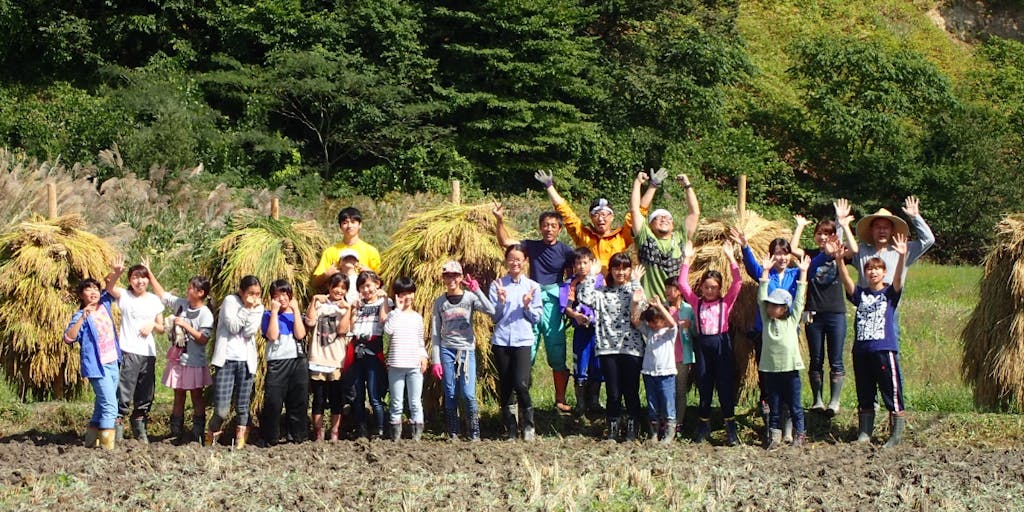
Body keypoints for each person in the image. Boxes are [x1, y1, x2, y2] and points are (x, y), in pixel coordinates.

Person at [493, 203, 575, 413]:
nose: (549, 229)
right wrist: (499, 220)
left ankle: (560, 399)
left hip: (553, 303)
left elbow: (574, 275)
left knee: (557, 350)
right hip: (530, 299)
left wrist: (568, 298)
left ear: (559, 229)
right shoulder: (531, 246)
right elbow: (505, 242)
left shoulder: (566, 251)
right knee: (526, 351)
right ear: (540, 227)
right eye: (545, 225)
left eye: (553, 225)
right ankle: (521, 398)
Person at [835, 233, 910, 447]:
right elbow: (847, 282)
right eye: (869, 269)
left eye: (877, 269)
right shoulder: (861, 295)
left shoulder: (890, 293)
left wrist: (902, 257)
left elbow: (898, 280)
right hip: (862, 351)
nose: (873, 272)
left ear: (884, 272)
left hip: (884, 349)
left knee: (891, 392)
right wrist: (840, 260)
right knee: (865, 393)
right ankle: (864, 434)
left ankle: (895, 436)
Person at [790, 199, 857, 414]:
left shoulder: (839, 253)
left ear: (833, 236)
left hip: (836, 312)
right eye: (819, 233)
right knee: (816, 359)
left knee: (836, 359)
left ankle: (834, 402)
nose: (823, 237)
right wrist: (800, 226)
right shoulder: (810, 255)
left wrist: (844, 224)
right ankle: (817, 400)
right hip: (812, 312)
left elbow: (854, 249)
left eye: (827, 233)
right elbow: (792, 248)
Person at [678, 240, 743, 445]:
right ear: (701, 288)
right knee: (704, 385)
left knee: (724, 386)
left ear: (719, 288)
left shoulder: (726, 302)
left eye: (713, 287)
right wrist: (687, 259)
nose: (709, 291)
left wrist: (731, 258)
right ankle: (703, 426)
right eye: (706, 287)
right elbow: (682, 284)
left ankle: (730, 428)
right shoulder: (696, 303)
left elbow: (738, 283)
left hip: (721, 346)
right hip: (703, 347)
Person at [576, 252, 646, 441]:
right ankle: (613, 427)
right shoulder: (602, 292)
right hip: (608, 348)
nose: (620, 272)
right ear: (611, 270)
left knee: (631, 390)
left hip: (631, 348)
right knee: (613, 392)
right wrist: (592, 276)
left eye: (624, 268)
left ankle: (632, 427)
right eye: (616, 268)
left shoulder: (633, 288)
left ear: (630, 270)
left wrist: (636, 282)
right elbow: (584, 298)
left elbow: (642, 307)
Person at [533, 169, 659, 270]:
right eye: (596, 215)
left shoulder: (621, 236)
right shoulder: (582, 234)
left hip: (613, 288)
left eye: (605, 214)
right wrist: (549, 186)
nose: (601, 218)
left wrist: (652, 186)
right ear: (591, 217)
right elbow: (565, 213)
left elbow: (638, 212)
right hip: (588, 287)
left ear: (612, 217)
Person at [148, 270, 214, 443]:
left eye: (191, 288)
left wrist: (185, 325)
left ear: (200, 293)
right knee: (178, 395)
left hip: (194, 361)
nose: (187, 290)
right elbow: (163, 295)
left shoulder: (205, 313)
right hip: (178, 359)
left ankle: (197, 434)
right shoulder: (182, 304)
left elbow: (203, 339)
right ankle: (176, 433)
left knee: (196, 396)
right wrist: (150, 274)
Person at [430, 261, 494, 440]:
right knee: (450, 392)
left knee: (467, 393)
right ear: (443, 278)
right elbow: (435, 331)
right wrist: (436, 361)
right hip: (447, 350)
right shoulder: (440, 302)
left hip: (466, 350)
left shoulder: (469, 298)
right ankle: (453, 432)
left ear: (460, 278)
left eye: (455, 275)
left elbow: (491, 310)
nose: (451, 279)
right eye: (447, 276)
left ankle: (474, 432)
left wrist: (477, 290)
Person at [104, 255, 165, 443]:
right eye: (136, 277)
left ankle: (139, 426)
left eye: (143, 277)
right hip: (129, 350)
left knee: (145, 392)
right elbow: (109, 288)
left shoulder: (154, 300)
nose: (140, 281)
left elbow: (161, 328)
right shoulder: (125, 296)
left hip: (148, 353)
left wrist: (152, 325)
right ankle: (117, 427)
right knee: (124, 391)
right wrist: (116, 273)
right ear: (130, 280)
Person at [490, 244, 543, 440]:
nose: (515, 263)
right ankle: (510, 428)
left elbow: (537, 318)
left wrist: (527, 306)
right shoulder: (497, 285)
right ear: (506, 261)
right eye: (511, 259)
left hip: (522, 340)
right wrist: (501, 302)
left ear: (525, 261)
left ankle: (528, 425)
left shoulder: (533, 287)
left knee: (521, 383)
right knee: (505, 385)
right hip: (502, 340)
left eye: (519, 259)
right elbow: (494, 317)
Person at [758, 254, 810, 449]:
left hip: (790, 369)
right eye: (769, 305)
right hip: (771, 370)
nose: (770, 308)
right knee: (774, 404)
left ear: (784, 308)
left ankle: (800, 434)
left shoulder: (792, 320)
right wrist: (765, 272)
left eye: (775, 306)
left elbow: (799, 301)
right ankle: (775, 436)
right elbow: (761, 297)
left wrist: (803, 273)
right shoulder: (766, 321)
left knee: (795, 405)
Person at [64, 278, 121, 449]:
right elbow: (69, 338)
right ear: (82, 295)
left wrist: (117, 272)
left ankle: (90, 441)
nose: (93, 292)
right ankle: (107, 447)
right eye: (88, 289)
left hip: (113, 362)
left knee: (101, 403)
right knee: (110, 405)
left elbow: (111, 288)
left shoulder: (104, 304)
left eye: (96, 288)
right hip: (97, 366)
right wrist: (83, 317)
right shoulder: (80, 316)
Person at [208, 275, 264, 448]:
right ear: (241, 291)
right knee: (221, 409)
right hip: (226, 360)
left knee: (242, 406)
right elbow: (233, 327)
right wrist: (246, 308)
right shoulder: (230, 301)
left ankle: (240, 440)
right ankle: (211, 435)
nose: (254, 297)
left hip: (246, 361)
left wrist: (252, 308)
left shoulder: (259, 308)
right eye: (250, 293)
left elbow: (248, 332)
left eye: (257, 294)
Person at [630, 171, 700, 300]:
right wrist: (638, 183)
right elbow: (635, 210)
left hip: (676, 306)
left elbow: (694, 213)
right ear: (650, 225)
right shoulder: (645, 237)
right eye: (658, 217)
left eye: (668, 218)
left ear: (673, 225)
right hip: (650, 304)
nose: (664, 219)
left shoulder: (680, 237)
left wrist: (687, 186)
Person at [304, 273, 352, 441]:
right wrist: (314, 300)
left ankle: (334, 432)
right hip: (317, 357)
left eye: (343, 288)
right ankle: (318, 432)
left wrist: (348, 309)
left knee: (336, 399)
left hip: (336, 359)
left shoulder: (346, 308)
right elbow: (310, 322)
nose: (339, 290)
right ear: (329, 287)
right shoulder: (319, 304)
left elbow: (342, 330)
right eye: (336, 286)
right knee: (318, 398)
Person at [260, 279, 308, 445]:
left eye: (285, 294)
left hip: (297, 360)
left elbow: (300, 335)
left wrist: (296, 311)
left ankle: (297, 436)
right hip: (277, 361)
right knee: (273, 400)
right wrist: (274, 312)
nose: (281, 298)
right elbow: (272, 336)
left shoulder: (296, 315)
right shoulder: (267, 315)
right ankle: (271, 437)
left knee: (298, 399)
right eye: (277, 295)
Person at [849, 196, 934, 288]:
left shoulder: (902, 250)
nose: (882, 231)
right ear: (871, 230)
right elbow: (840, 253)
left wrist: (915, 217)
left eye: (886, 227)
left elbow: (928, 240)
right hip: (864, 297)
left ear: (892, 230)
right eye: (878, 227)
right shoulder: (861, 251)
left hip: (891, 297)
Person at [560, 247, 603, 417]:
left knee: (597, 364)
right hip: (581, 331)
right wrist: (576, 316)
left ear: (592, 263)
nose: (582, 266)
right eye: (578, 263)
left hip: (598, 331)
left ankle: (595, 401)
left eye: (585, 262)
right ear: (573, 266)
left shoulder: (599, 280)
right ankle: (580, 403)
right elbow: (567, 306)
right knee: (580, 365)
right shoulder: (571, 283)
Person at [348, 270, 391, 439]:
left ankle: (380, 429)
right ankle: (361, 429)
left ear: (377, 285)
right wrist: (353, 309)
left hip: (374, 350)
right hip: (357, 350)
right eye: (362, 287)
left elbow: (383, 320)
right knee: (358, 395)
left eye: (368, 286)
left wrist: (384, 299)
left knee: (374, 394)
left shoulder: (385, 301)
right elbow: (351, 327)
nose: (366, 290)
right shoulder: (358, 304)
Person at [384, 277, 428, 441]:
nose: (407, 297)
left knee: (415, 402)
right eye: (402, 294)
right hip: (396, 364)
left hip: (414, 365)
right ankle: (395, 437)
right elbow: (388, 331)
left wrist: (423, 356)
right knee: (396, 402)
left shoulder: (417, 317)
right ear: (396, 296)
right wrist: (397, 310)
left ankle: (416, 436)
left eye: (410, 293)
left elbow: (420, 341)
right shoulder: (393, 315)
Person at [635, 295, 679, 444]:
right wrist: (637, 304)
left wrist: (660, 306)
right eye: (650, 322)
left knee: (667, 402)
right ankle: (654, 432)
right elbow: (636, 322)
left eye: (656, 321)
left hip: (666, 374)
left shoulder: (669, 333)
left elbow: (672, 323)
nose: (652, 325)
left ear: (662, 319)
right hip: (649, 373)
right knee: (652, 403)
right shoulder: (650, 332)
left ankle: (669, 432)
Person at [312, 207, 382, 292]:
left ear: (360, 225)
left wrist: (370, 272)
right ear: (340, 227)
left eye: (353, 222)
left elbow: (382, 280)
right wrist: (327, 274)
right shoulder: (330, 252)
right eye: (345, 223)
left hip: (363, 297)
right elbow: (315, 283)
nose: (349, 226)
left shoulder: (371, 251)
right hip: (338, 297)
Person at [663, 277, 696, 436]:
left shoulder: (689, 309)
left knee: (680, 390)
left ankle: (679, 423)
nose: (667, 291)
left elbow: (696, 333)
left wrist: (690, 326)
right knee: (666, 390)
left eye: (671, 288)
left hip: (682, 357)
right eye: (666, 288)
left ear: (680, 291)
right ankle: (666, 421)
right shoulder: (663, 309)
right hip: (665, 357)